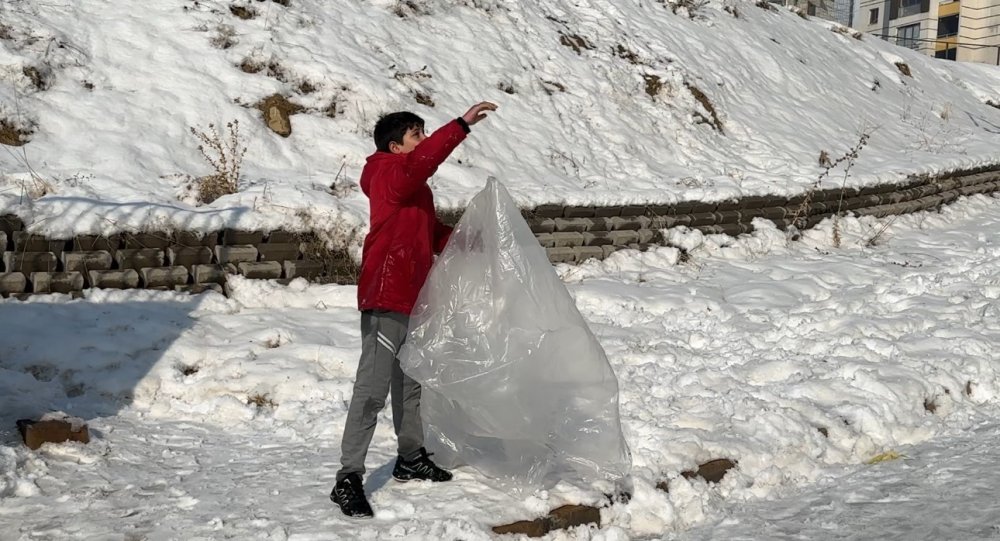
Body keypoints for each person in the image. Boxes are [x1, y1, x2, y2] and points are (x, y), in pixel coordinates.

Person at [331, 101, 498, 518]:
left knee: (409, 382)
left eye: (425, 133)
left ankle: (409, 457)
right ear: (395, 146)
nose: (422, 141)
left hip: (415, 295)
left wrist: (470, 239)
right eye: (416, 135)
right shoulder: (387, 173)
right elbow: (421, 164)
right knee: (372, 389)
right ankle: (347, 478)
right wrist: (460, 126)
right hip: (387, 293)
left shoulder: (413, 188)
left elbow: (429, 232)